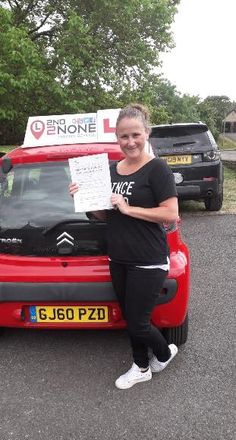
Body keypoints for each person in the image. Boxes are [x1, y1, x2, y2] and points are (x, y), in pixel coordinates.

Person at [69, 104, 179, 390]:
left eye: (135, 135)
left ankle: (163, 353)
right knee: (131, 317)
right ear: (116, 137)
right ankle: (142, 365)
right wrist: (86, 201)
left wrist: (131, 210)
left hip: (148, 258)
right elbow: (106, 215)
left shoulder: (157, 168)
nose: (130, 142)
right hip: (118, 257)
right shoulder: (110, 169)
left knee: (139, 322)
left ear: (146, 133)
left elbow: (170, 214)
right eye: (123, 136)